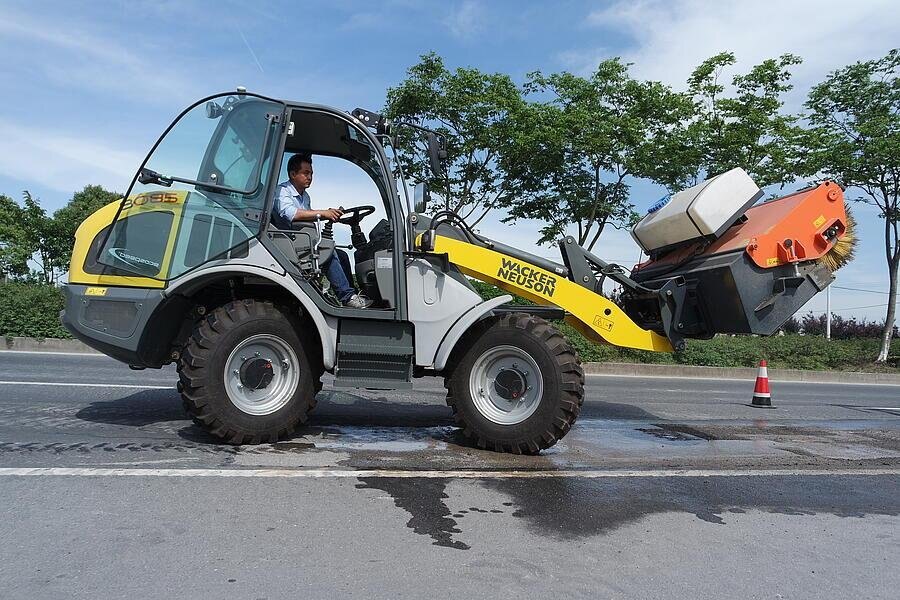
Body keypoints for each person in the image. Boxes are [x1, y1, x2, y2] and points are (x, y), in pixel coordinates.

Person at [274, 153, 373, 308]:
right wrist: (323, 213)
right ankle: (347, 297)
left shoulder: (304, 196)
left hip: (303, 241)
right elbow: (290, 214)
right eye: (305, 173)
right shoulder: (282, 191)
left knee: (342, 255)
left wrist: (329, 214)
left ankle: (352, 296)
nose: (310, 177)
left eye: (311, 173)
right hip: (289, 243)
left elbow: (308, 215)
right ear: (293, 174)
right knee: (327, 249)